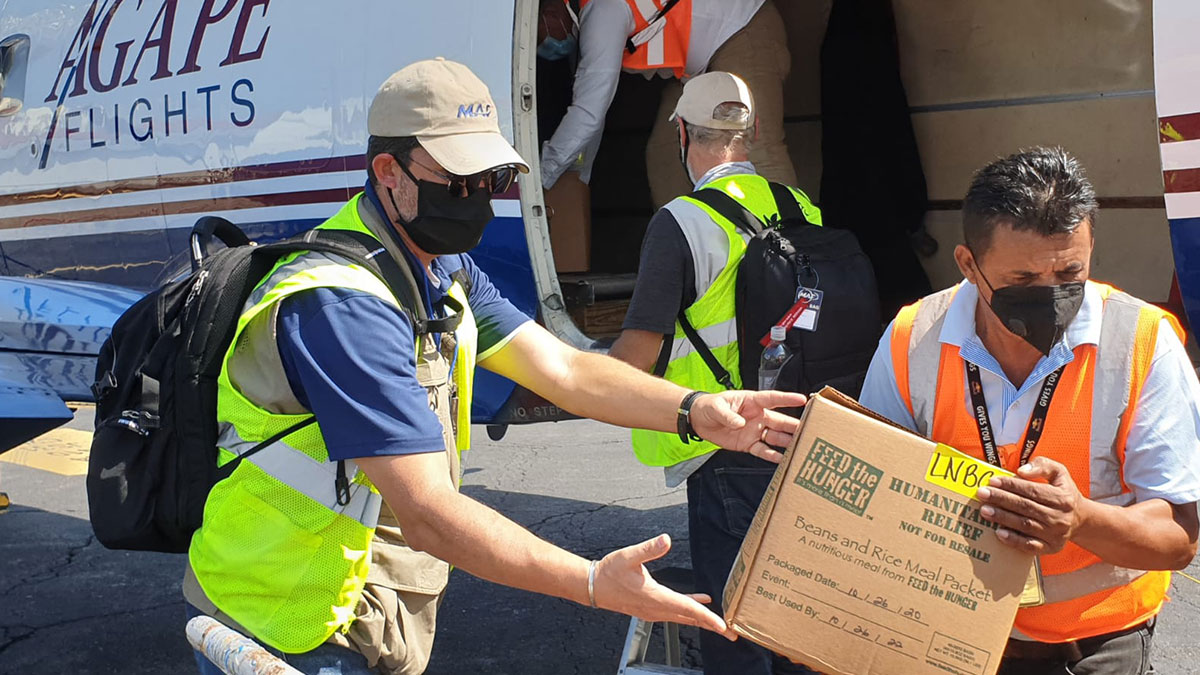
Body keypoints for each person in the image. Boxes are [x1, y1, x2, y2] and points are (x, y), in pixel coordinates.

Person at [182, 58, 809, 675]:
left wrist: (696, 410)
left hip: (360, 607)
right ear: (388, 171)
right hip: (283, 621)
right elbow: (428, 512)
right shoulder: (342, 307)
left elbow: (564, 371)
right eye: (460, 184)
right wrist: (591, 581)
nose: (479, 201)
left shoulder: (440, 267)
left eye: (492, 180)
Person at [859, 147, 1200, 674]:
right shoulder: (913, 339)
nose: (1052, 295)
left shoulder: (1142, 342)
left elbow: (1178, 536)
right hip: (944, 638)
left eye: (1070, 271)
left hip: (1096, 644)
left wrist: (1080, 518)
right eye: (1022, 281)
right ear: (969, 265)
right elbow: (870, 492)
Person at [609, 71, 819, 675]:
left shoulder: (680, 221)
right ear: (749, 135)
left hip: (725, 442)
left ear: (682, 133)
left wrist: (575, 378)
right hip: (800, 429)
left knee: (735, 620)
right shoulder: (799, 206)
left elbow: (641, 351)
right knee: (795, 603)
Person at [537, 0, 797, 209]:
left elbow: (589, 111)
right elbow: (594, 115)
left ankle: (798, 258)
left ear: (550, 12)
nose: (542, 46)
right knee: (667, 153)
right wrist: (577, 177)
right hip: (701, 67)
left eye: (539, 36)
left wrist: (540, 178)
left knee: (758, 149)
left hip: (744, 30)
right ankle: (681, 252)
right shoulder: (591, 14)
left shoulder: (602, 10)